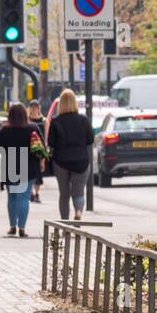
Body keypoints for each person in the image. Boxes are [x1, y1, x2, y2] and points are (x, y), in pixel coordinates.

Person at [0, 104, 39, 237]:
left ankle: (12, 226)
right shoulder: (32, 128)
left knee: (12, 198)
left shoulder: (4, 130)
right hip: (29, 169)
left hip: (10, 168)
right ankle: (22, 228)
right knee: (24, 198)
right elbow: (40, 147)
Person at [47, 88, 92, 221]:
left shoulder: (56, 122)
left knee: (64, 195)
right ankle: (78, 212)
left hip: (61, 162)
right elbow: (90, 140)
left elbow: (51, 143)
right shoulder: (83, 120)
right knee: (78, 193)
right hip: (81, 161)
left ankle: (65, 224)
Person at [27, 100, 47, 203]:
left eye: (36, 107)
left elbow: (46, 136)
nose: (34, 109)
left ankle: (37, 193)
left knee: (39, 172)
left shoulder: (44, 120)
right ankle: (30, 192)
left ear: (39, 108)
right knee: (29, 171)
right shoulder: (27, 120)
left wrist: (45, 151)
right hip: (28, 149)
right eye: (32, 107)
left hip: (39, 149)